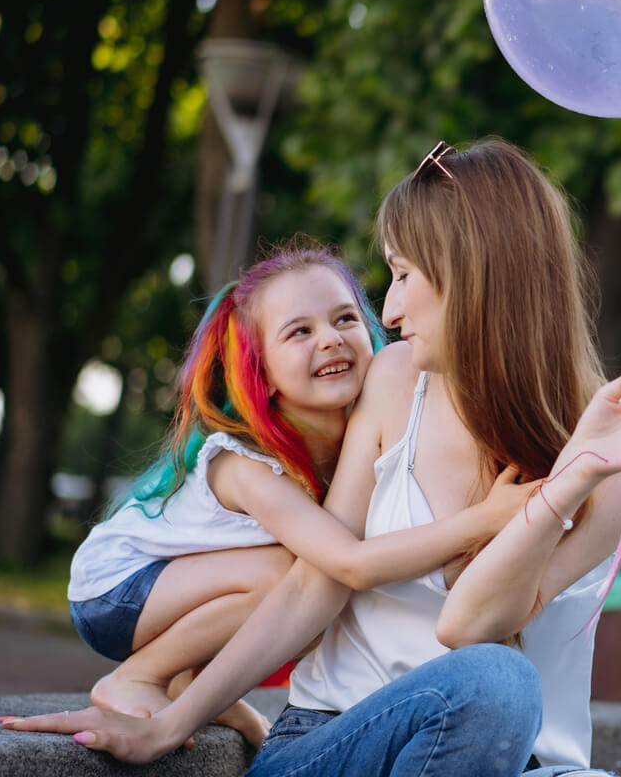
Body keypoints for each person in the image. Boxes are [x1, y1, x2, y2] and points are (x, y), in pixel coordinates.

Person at [5, 138, 621, 776]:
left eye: (405, 276)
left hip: (528, 762)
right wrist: (168, 722)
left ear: (474, 274)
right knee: (499, 682)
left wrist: (573, 480)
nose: (393, 312)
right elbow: (315, 583)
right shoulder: (397, 379)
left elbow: (481, 620)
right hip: (335, 742)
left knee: (506, 692)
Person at [66, 242, 532, 745]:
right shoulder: (245, 465)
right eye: (300, 332)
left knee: (312, 607)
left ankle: (194, 683)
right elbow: (350, 563)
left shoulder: (363, 431)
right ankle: (138, 678)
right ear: (260, 372)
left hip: (189, 589)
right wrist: (487, 519)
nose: (330, 340)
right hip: (116, 590)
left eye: (345, 319)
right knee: (300, 573)